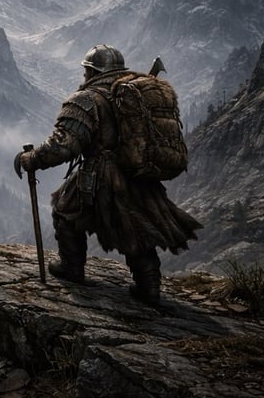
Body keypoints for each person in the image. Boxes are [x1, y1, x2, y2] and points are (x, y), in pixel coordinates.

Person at [14, 44, 202, 304]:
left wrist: (32, 158)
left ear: (92, 72)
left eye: (86, 71)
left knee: (65, 209)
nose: (83, 77)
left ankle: (72, 267)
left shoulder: (87, 99)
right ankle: (149, 285)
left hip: (102, 175)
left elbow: (64, 145)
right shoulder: (132, 90)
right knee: (137, 227)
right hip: (137, 172)